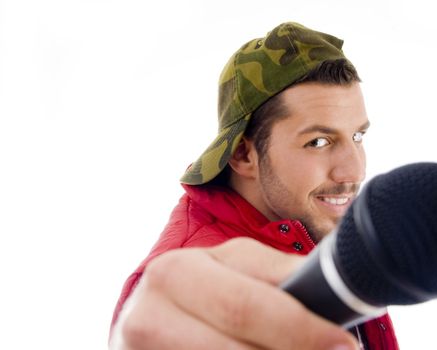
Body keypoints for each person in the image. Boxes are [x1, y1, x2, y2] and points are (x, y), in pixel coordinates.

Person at [109, 22, 400, 350]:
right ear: (243, 154)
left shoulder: (313, 221)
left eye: (357, 136)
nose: (353, 171)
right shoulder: (195, 280)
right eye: (318, 141)